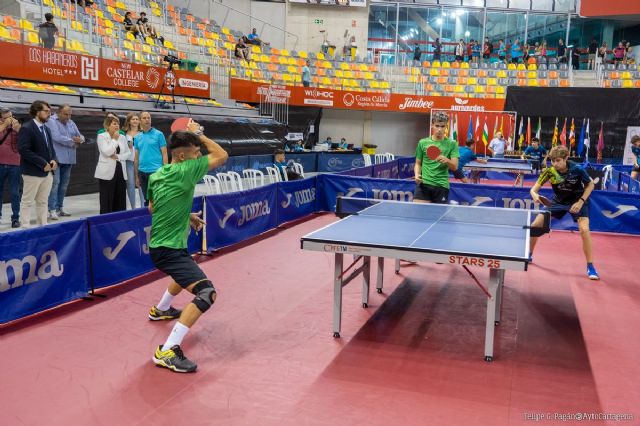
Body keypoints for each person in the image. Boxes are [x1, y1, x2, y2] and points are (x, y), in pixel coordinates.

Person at [147, 120, 228, 373]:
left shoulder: (156, 175)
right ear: (182, 156)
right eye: (195, 152)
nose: (199, 155)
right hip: (168, 249)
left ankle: (160, 309)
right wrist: (200, 135)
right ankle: (168, 350)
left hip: (163, 245)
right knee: (206, 293)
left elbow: (153, 207)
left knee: (186, 272)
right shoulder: (186, 171)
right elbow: (221, 155)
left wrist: (186, 215)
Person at [530, 146, 599, 280]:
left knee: (584, 230)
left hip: (578, 201)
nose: (554, 164)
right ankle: (529, 254)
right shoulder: (550, 172)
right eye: (552, 161)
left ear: (566, 158)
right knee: (535, 225)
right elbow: (533, 190)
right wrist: (535, 196)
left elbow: (591, 185)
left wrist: (580, 202)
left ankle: (590, 266)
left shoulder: (577, 169)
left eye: (557, 161)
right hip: (559, 202)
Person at [17, 100, 57, 228]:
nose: (49, 114)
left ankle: (43, 226)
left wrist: (54, 160)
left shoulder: (47, 129)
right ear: (36, 112)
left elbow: (51, 148)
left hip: (47, 172)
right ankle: (25, 228)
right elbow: (23, 150)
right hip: (32, 172)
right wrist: (42, 163)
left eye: (50, 112)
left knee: (43, 201)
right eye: (46, 111)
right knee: (27, 201)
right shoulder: (27, 128)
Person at [45, 104, 84, 220]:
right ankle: (51, 209)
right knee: (55, 184)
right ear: (59, 112)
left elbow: (81, 136)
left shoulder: (71, 122)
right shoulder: (51, 121)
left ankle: (59, 208)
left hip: (69, 158)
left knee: (63, 186)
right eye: (66, 114)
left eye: (70, 114)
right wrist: (73, 142)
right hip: (56, 159)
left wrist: (80, 139)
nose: (68, 116)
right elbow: (57, 137)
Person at [413, 112, 459, 204]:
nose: (439, 129)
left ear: (446, 126)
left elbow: (454, 167)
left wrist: (447, 160)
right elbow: (418, 163)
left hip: (441, 186)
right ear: (432, 125)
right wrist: (417, 174)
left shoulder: (452, 144)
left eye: (442, 126)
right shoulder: (422, 143)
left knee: (438, 216)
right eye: (437, 125)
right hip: (424, 184)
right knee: (418, 214)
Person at [95, 115, 130, 214]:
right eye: (114, 124)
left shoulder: (122, 137)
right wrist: (114, 140)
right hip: (106, 172)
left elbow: (128, 153)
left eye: (118, 124)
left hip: (120, 170)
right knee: (107, 198)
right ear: (107, 126)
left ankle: (119, 220)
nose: (117, 126)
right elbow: (107, 152)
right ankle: (105, 221)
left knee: (120, 197)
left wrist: (118, 157)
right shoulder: (102, 136)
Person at [134, 111, 167, 206]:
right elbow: (136, 158)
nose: (147, 120)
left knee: (158, 199)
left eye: (148, 118)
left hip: (156, 172)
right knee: (147, 200)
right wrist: (136, 176)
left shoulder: (159, 134)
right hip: (142, 172)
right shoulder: (137, 137)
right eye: (144, 118)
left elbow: (164, 154)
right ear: (140, 121)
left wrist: (165, 172)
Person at [0, 107, 22, 228]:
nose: (10, 119)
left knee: (15, 192)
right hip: (0, 163)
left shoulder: (17, 126)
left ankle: (15, 218)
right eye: (7, 117)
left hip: (15, 164)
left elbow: (25, 141)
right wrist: (4, 125)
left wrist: (18, 129)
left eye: (11, 116)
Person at [123, 112, 142, 209]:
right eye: (133, 119)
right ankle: (133, 207)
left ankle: (144, 207)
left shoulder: (143, 133)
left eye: (136, 119)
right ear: (129, 121)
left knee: (141, 184)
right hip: (129, 162)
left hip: (141, 162)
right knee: (130, 184)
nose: (135, 121)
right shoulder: (124, 134)